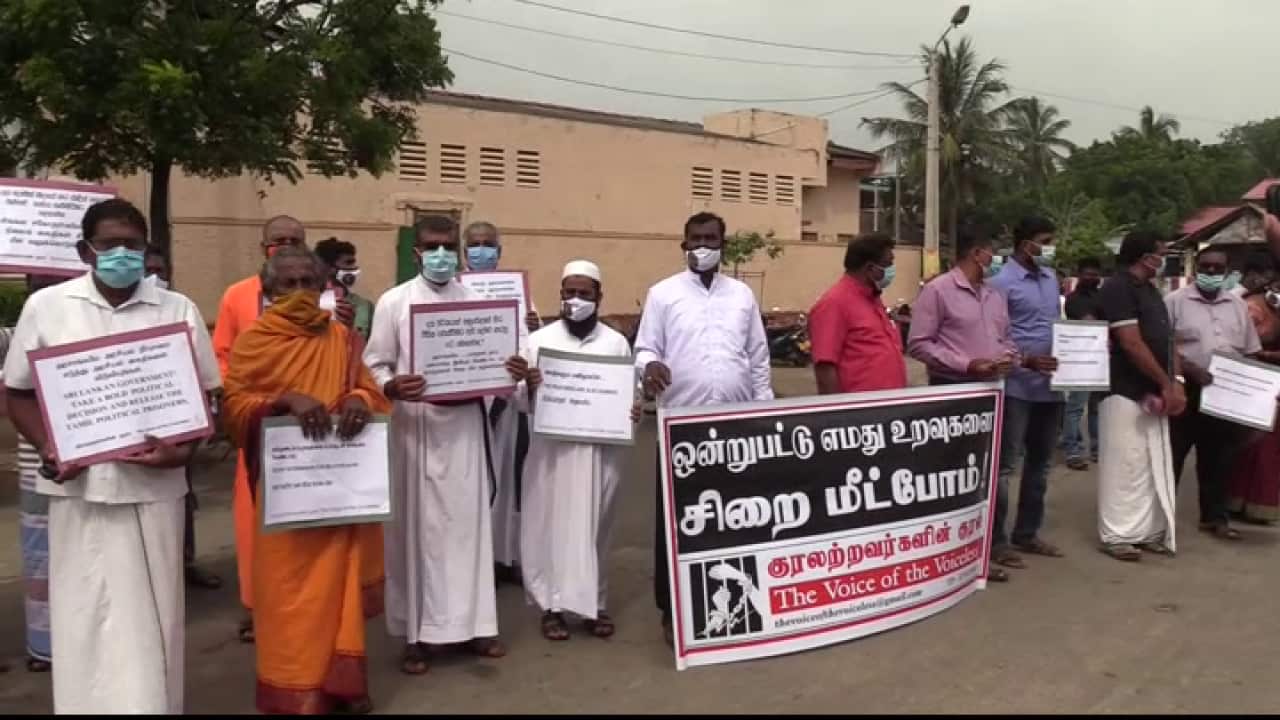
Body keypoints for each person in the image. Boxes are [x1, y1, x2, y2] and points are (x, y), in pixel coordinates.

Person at [3, 198, 221, 713]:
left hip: (155, 491)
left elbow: (207, 398)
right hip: (79, 491)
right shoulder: (48, 306)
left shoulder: (176, 309)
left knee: (153, 620)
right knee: (86, 617)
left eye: (132, 244)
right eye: (109, 244)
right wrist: (47, 446)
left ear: (147, 251)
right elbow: (17, 392)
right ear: (85, 249)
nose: (122, 253)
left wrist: (183, 451)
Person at [222, 246, 390, 714]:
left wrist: (358, 397)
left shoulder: (342, 340)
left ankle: (344, 685)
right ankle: (296, 692)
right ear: (270, 291)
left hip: (338, 494)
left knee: (339, 595)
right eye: (288, 284)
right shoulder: (255, 342)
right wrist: (282, 401)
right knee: (289, 600)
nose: (299, 293)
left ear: (323, 289)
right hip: (286, 499)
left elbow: (373, 392)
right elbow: (233, 413)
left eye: (308, 283)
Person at [364, 214, 527, 674]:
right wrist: (393, 386)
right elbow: (374, 363)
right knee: (418, 532)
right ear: (416, 252)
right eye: (430, 246)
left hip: (465, 430)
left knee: (469, 528)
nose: (440, 254)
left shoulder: (479, 303)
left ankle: (477, 626)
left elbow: (508, 359)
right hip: (416, 430)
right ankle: (418, 635)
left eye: (446, 246)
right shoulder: (393, 302)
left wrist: (513, 371)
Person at [634, 211, 773, 645]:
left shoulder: (743, 296)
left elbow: (758, 357)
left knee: (734, 515)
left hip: (735, 424)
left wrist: (765, 413)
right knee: (678, 520)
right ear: (683, 244)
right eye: (694, 240)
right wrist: (649, 366)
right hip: (683, 426)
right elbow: (644, 349)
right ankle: (672, 608)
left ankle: (735, 599)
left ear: (722, 244)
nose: (701, 246)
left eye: (710, 239)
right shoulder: (663, 295)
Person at [517, 260, 638, 641]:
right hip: (551, 453)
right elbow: (518, 401)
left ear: (599, 297)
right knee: (549, 528)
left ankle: (594, 605)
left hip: (600, 453)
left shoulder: (615, 342)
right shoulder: (537, 342)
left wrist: (634, 407)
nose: (576, 300)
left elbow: (628, 394)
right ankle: (551, 607)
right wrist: (530, 388)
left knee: (595, 528)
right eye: (570, 293)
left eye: (585, 294)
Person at [212, 214, 307, 643]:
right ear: (262, 245)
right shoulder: (237, 296)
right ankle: (256, 606)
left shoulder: (324, 297)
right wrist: (249, 404)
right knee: (254, 520)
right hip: (258, 425)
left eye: (294, 240)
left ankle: (305, 603)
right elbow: (223, 358)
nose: (285, 245)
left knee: (309, 522)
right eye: (277, 240)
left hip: (313, 426)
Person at [907, 231, 1018, 581]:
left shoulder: (994, 296)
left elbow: (1007, 338)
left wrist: (1008, 358)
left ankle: (994, 543)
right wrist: (967, 364)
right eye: (993, 252)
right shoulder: (937, 291)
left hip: (994, 392)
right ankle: (957, 551)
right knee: (958, 472)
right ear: (976, 252)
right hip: (955, 391)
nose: (997, 259)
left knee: (995, 470)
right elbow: (919, 344)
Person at [1094, 230, 1185, 562]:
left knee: (1149, 464)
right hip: (1124, 389)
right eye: (1161, 253)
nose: (1164, 259)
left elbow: (1169, 339)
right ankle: (1118, 534)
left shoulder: (1150, 290)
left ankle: (1145, 531)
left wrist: (1175, 381)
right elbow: (1131, 343)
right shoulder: (1118, 288)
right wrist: (1164, 382)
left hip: (1154, 388)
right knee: (1125, 464)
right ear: (1146, 256)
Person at [1165, 247, 1261, 542]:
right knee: (1174, 454)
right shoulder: (1174, 302)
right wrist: (1187, 371)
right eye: (1205, 267)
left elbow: (1250, 351)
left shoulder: (1237, 305)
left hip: (1225, 392)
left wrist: (1255, 393)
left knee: (1219, 458)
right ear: (1195, 269)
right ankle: (1160, 520)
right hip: (1186, 388)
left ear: (1227, 271)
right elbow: (1163, 347)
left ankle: (1214, 518)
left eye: (1216, 268)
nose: (1210, 273)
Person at [463, 220, 540, 585]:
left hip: (508, 401)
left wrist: (533, 326)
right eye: (474, 244)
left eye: (488, 244)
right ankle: (475, 559)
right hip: (468, 402)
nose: (481, 250)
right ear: (465, 252)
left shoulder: (519, 294)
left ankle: (506, 555)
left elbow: (530, 345)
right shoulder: (454, 292)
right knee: (474, 480)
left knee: (510, 476)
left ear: (499, 251)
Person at [144, 246, 223, 591]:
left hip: (173, 431)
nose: (152, 275)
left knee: (181, 501)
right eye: (148, 268)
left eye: (158, 269)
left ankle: (183, 564)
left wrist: (191, 442)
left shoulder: (178, 310)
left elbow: (205, 381)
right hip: (113, 433)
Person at [988, 216, 1064, 563]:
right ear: (1025, 244)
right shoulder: (1000, 284)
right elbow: (994, 336)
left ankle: (1027, 533)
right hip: (1016, 385)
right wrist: (1025, 361)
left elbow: (1059, 327)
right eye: (1045, 241)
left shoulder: (1052, 279)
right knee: (1005, 467)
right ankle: (997, 542)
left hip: (1052, 387)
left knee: (1041, 464)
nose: (1050, 248)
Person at [3, 275, 66, 675]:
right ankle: (43, 647)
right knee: (41, 556)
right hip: (37, 459)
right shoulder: (22, 326)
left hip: (99, 459)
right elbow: (12, 392)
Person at [808, 232, 907, 394]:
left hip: (889, 406)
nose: (891, 270)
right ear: (870, 268)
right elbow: (825, 367)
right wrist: (837, 413)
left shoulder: (873, 298)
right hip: (859, 412)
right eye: (888, 264)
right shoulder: (834, 304)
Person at [1228, 284, 1280, 522]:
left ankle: (1257, 503)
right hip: (1254, 379)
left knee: (1267, 446)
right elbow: (1241, 342)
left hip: (1267, 379)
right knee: (1249, 442)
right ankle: (1237, 501)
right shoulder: (1251, 304)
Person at [1062, 257, 1105, 471]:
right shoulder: (1074, 299)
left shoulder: (1103, 296)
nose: (1092, 278)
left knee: (1098, 408)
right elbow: (1091, 323)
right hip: (1080, 360)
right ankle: (1073, 451)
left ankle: (1098, 450)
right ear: (1079, 275)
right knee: (1076, 407)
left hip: (1101, 360)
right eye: (1088, 274)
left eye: (1095, 274)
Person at [314, 237, 374, 341]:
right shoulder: (310, 303)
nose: (354, 268)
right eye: (348, 263)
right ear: (329, 268)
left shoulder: (364, 306)